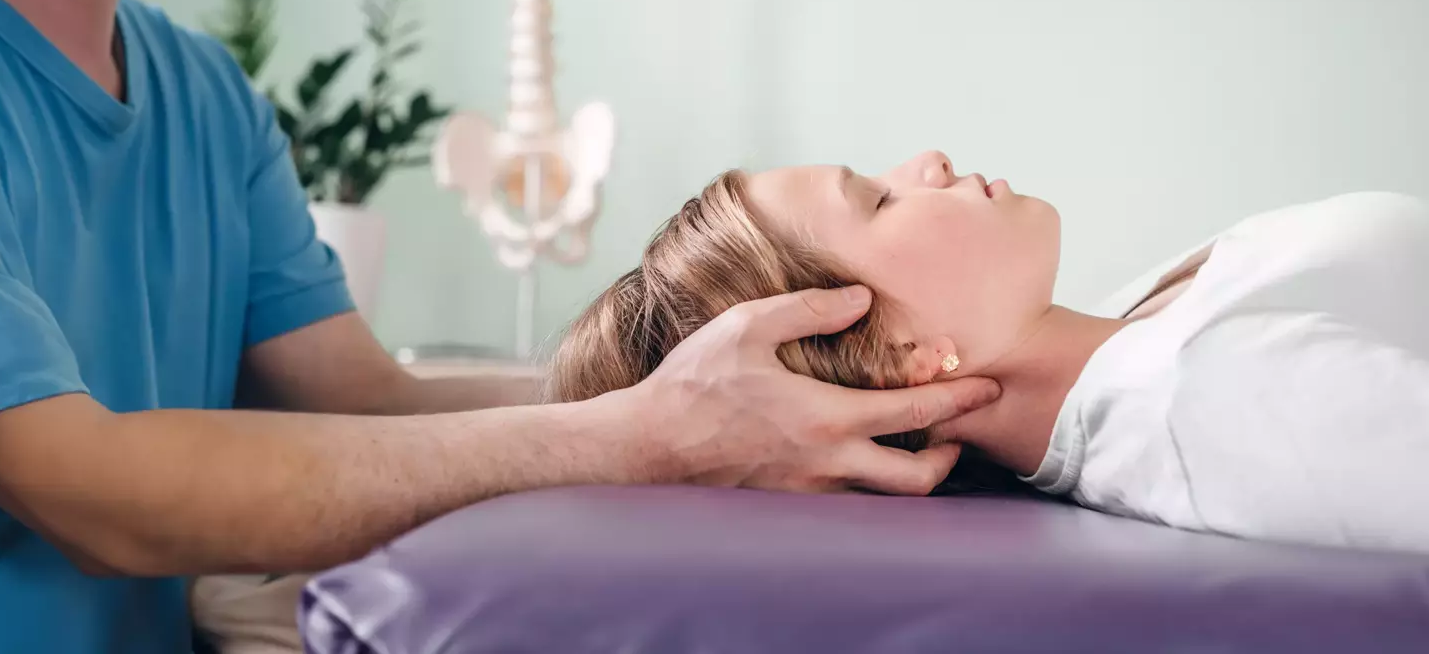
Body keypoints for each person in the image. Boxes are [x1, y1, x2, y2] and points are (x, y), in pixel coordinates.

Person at [0, 0, 1002, 652]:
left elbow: (360, 395)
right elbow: (93, 494)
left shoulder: (202, 89)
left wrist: (723, 391)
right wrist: (646, 434)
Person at [549, 150, 1429, 554]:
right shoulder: (1204, 398)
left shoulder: (1129, 341)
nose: (924, 163)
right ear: (899, 359)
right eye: (881, 202)